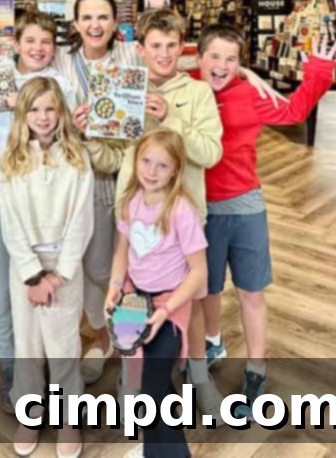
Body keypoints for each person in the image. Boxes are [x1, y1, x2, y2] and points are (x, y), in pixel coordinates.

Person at [194, 25, 336, 415]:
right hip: (198, 209)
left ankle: (256, 370)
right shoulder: (187, 86)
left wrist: (318, 71)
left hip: (245, 207)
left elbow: (294, 111)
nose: (222, 65)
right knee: (207, 289)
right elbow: (158, 61)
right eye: (214, 56)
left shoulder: (251, 93)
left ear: (240, 64)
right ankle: (213, 341)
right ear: (199, 58)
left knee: (251, 292)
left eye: (232, 59)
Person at [0, 9, 79, 414]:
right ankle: (14, 372)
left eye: (46, 42)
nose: (38, 48)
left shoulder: (61, 86)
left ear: (54, 47)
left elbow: (71, 137)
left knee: (52, 294)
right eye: (31, 41)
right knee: (4, 297)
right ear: (16, 44)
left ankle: (51, 375)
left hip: (49, 209)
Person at [113, 7, 222, 418]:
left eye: (171, 45)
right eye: (155, 46)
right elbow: (115, 155)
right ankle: (132, 373)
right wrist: (91, 132)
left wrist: (172, 117)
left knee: (191, 301)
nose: (163, 53)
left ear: (182, 48)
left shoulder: (198, 93)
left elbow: (210, 153)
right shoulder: (126, 87)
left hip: (182, 220)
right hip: (133, 215)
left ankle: (198, 374)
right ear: (140, 49)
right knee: (131, 296)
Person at [0, 78, 94, 458]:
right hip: (26, 269)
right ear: (23, 115)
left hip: (63, 269)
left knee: (63, 344)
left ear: (61, 112)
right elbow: (10, 223)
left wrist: (59, 273)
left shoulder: (77, 157)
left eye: (50, 108)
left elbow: (81, 221)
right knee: (28, 344)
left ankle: (68, 417)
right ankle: (31, 411)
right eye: (34, 110)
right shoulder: (11, 161)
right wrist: (33, 275)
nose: (43, 117)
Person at [53, 0, 143, 382]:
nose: (95, 25)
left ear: (115, 22)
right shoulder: (61, 60)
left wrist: (246, 71)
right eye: (87, 18)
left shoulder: (132, 56)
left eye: (103, 17)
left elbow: (176, 67)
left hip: (127, 176)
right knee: (92, 265)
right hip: (79, 177)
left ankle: (131, 338)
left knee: (132, 263)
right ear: (75, 24)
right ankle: (104, 336)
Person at [105, 129, 208, 458]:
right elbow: (123, 250)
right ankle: (154, 451)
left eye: (162, 165)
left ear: (176, 170)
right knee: (151, 384)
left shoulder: (182, 211)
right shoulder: (131, 201)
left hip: (169, 305)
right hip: (134, 300)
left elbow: (199, 273)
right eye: (146, 161)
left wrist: (166, 310)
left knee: (152, 386)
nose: (151, 171)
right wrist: (114, 286)